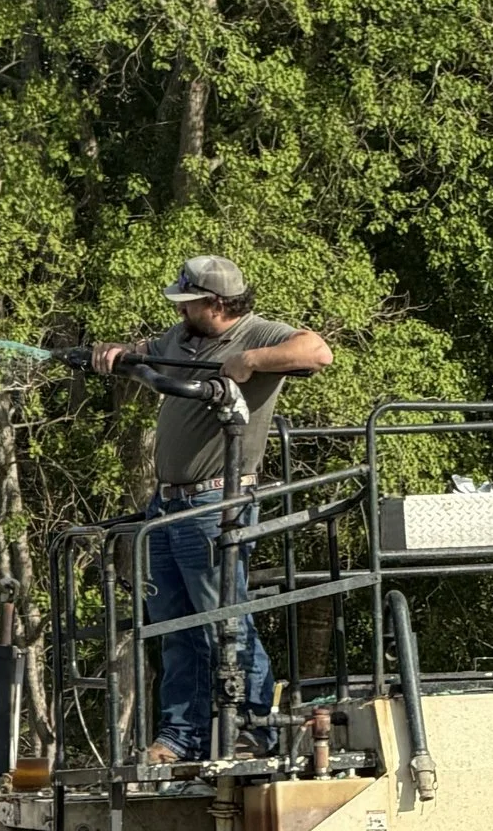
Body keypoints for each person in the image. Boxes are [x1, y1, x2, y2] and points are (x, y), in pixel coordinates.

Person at [94, 257, 333, 766]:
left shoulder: (258, 333)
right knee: (171, 625)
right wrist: (116, 355)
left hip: (216, 502)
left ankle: (251, 728)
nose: (181, 310)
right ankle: (181, 736)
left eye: (189, 302)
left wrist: (253, 361)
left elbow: (317, 351)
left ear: (217, 303)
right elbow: (145, 354)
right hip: (166, 504)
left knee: (223, 621)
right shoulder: (180, 339)